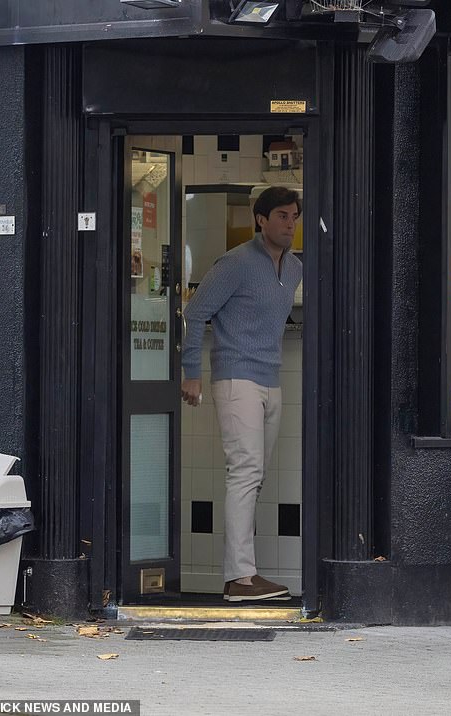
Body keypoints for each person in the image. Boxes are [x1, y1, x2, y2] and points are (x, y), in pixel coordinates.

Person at [181, 186, 303, 602]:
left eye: (294, 217)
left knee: (257, 476)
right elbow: (195, 312)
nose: (289, 224)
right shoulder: (234, 263)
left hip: (271, 379)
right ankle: (240, 578)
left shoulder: (295, 267)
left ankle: (245, 573)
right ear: (261, 219)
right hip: (235, 379)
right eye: (282, 216)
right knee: (246, 473)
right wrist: (191, 374)